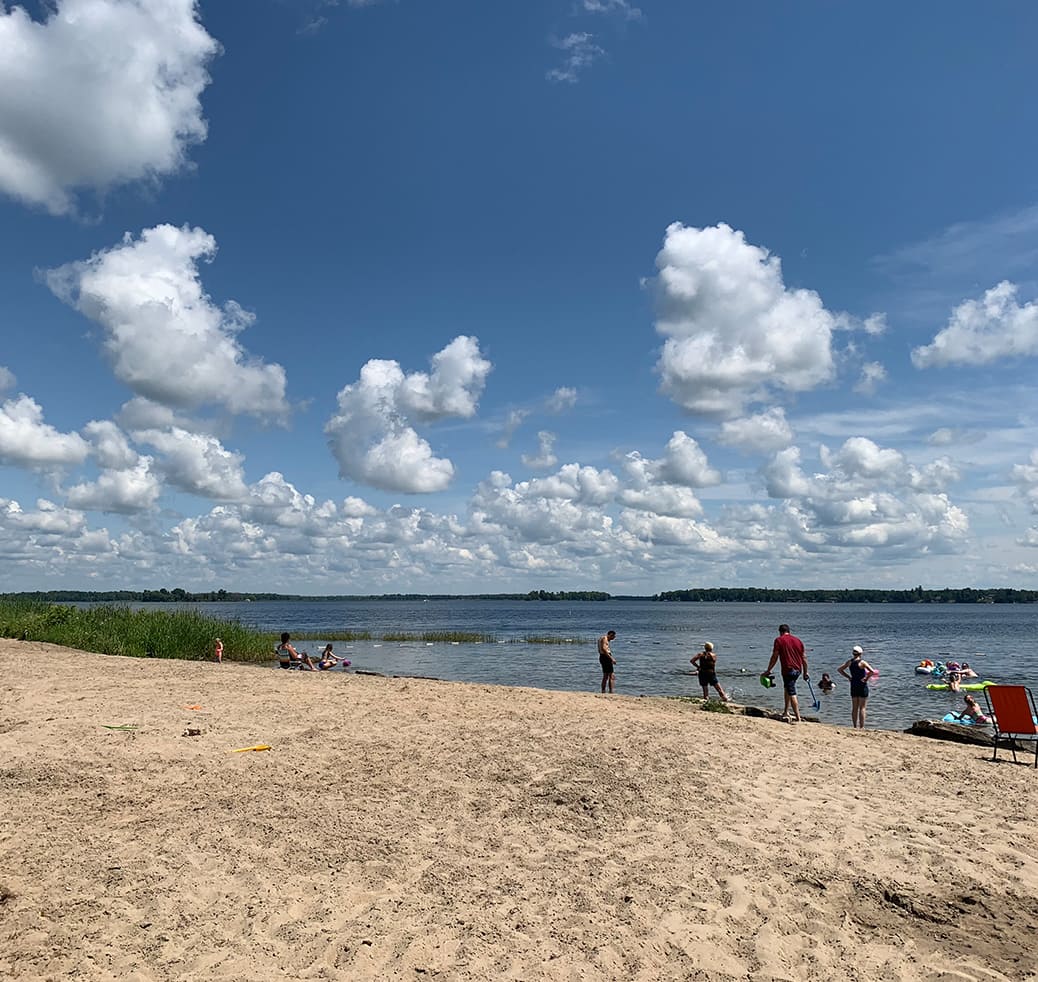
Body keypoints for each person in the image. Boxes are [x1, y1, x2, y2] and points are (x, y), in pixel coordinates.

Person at [764, 624, 808, 722]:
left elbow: (775, 656)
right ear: (789, 631)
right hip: (798, 670)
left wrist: (768, 670)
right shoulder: (798, 641)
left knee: (792, 692)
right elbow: (804, 658)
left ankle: (798, 717)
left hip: (788, 670)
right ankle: (786, 711)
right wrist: (805, 672)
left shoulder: (779, 640)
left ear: (780, 632)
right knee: (787, 688)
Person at [837, 645, 875, 729]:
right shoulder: (863, 663)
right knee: (862, 708)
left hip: (853, 684)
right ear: (860, 653)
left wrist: (848, 677)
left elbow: (840, 669)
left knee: (854, 708)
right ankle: (861, 727)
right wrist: (866, 678)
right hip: (862, 685)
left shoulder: (849, 662)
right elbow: (872, 671)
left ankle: (854, 726)